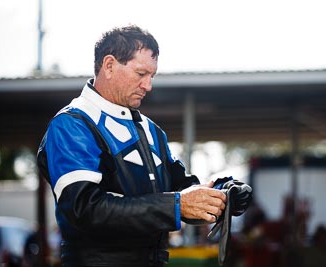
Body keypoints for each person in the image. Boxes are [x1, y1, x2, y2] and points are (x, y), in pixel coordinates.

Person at [36, 24, 251, 267]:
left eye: (152, 76)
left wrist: (223, 194)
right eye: (141, 74)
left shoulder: (151, 130)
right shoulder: (72, 124)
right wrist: (177, 205)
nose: (148, 86)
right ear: (109, 65)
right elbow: (84, 209)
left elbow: (182, 189)